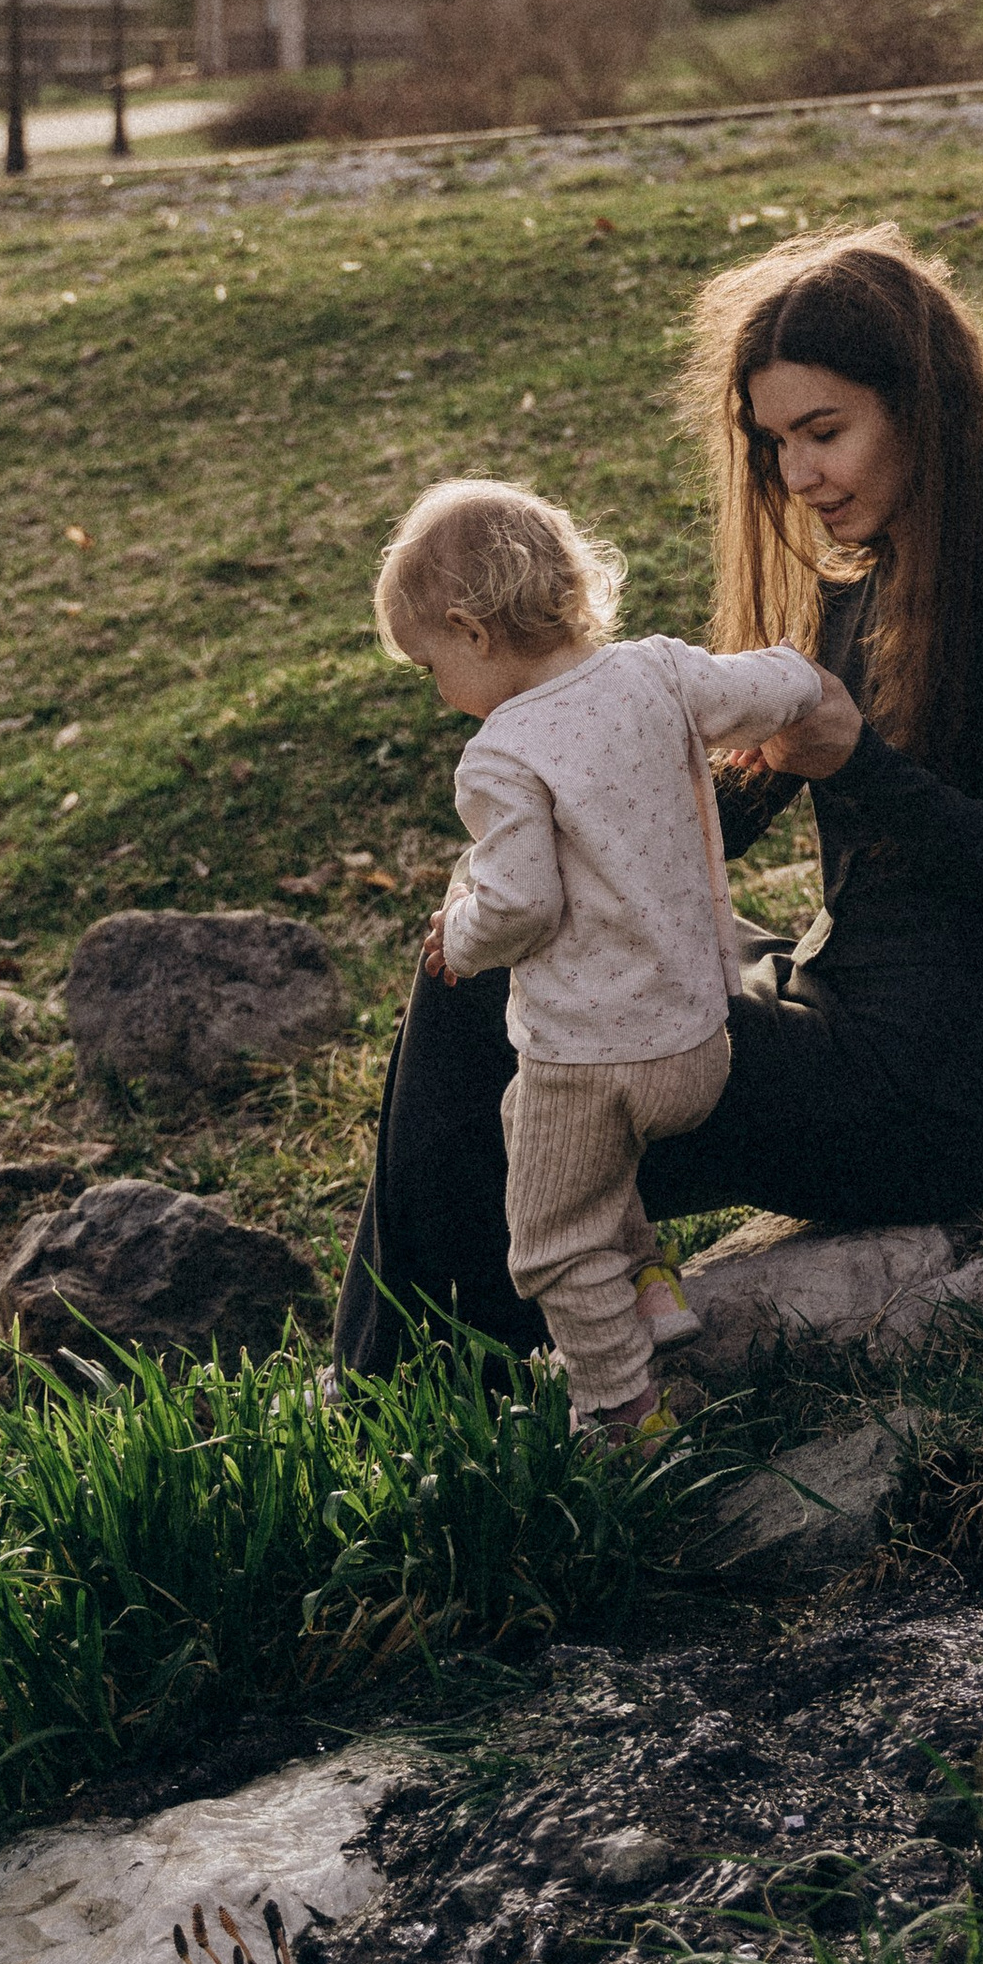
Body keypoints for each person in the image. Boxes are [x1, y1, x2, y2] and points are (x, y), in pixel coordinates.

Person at [332, 227, 983, 1379]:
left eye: (825, 432)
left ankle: (394, 1382)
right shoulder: (864, 589)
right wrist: (588, 793)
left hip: (921, 1105)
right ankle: (443, 1357)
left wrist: (859, 761)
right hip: (824, 1003)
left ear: (927, 406)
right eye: (776, 445)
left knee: (490, 1021)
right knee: (499, 974)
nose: (800, 475)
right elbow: (716, 806)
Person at [376, 478, 827, 1435]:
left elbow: (521, 904)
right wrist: (806, 680)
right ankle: (656, 1287)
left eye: (429, 667)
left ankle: (620, 1407)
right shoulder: (657, 670)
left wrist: (457, 936)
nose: (438, 690)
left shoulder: (501, 754)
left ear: (472, 630)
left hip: (594, 1060)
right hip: (700, 1042)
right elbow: (771, 684)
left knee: (546, 1235)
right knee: (549, 1140)